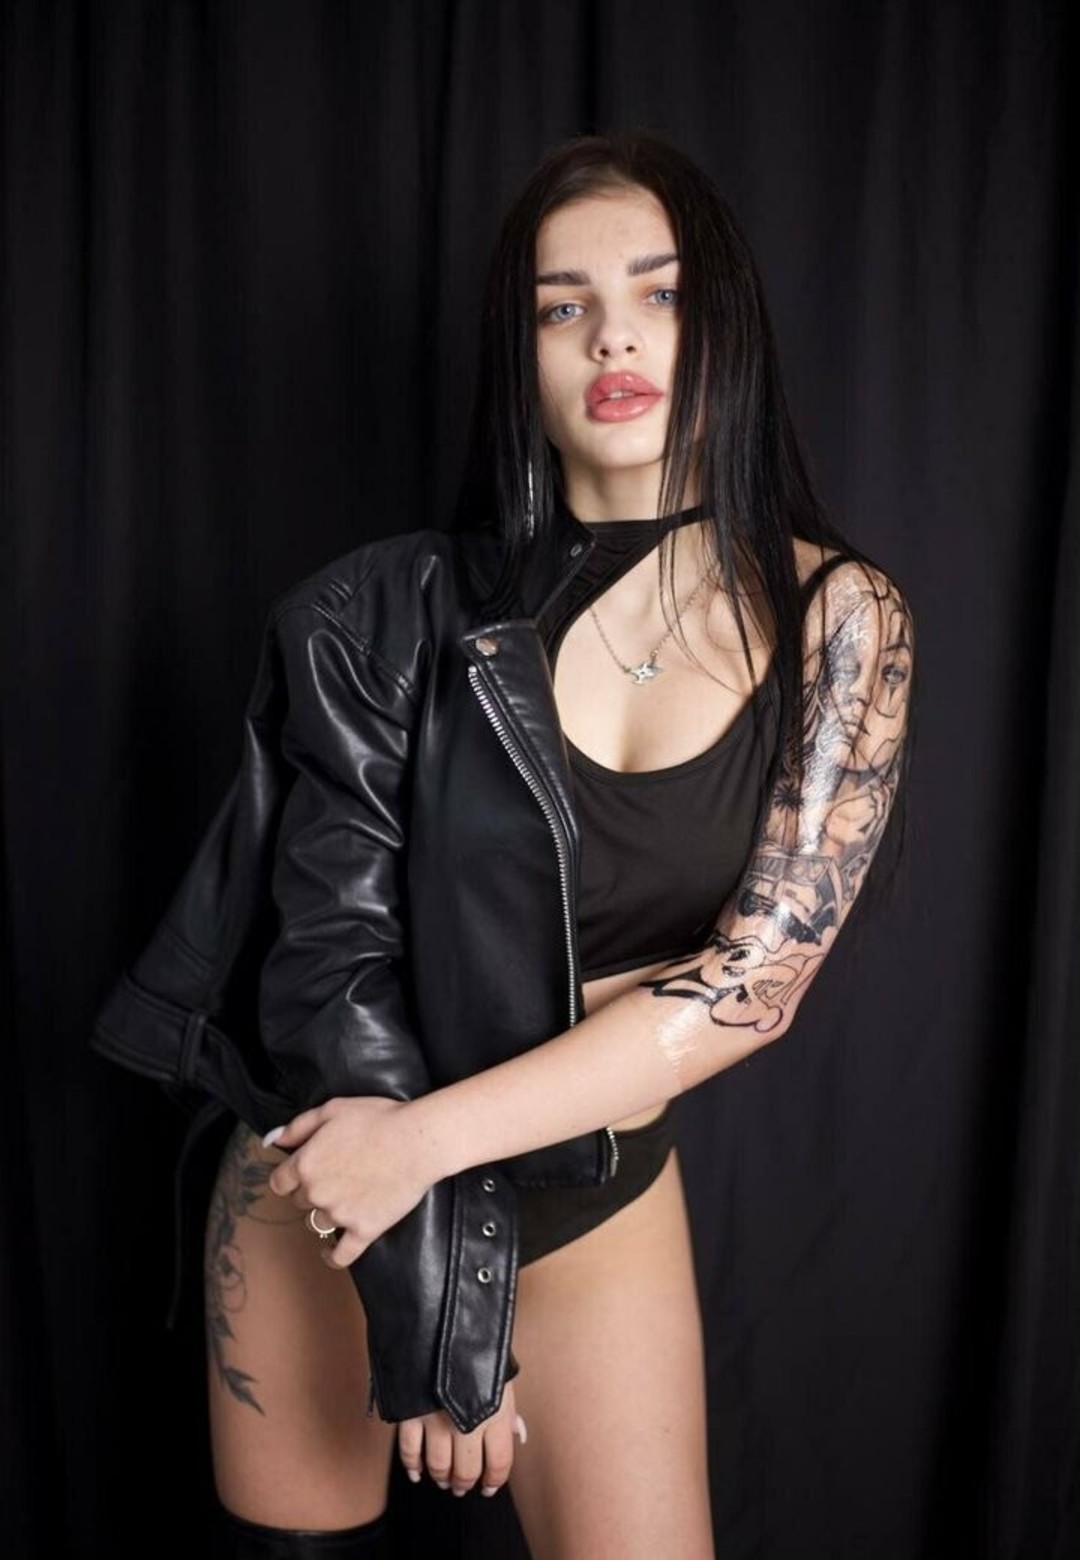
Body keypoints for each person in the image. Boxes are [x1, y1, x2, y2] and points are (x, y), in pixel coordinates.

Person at [91, 131, 916, 1559]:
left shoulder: (840, 620)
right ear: (519, 353)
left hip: (564, 1188)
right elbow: (332, 965)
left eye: (660, 292)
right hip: (328, 1183)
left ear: (725, 321)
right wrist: (424, 1286)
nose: (613, 336)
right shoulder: (388, 613)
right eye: (561, 305)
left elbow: (753, 988)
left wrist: (429, 1149)